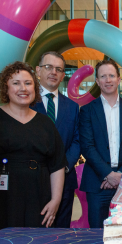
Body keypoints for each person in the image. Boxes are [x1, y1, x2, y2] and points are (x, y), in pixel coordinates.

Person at [0, 62, 66, 230]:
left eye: (28, 83)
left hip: (39, 195)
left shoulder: (45, 122)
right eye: (16, 83)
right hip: (4, 196)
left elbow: (57, 165)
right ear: (6, 88)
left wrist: (55, 200)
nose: (23, 88)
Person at [79, 59, 122, 227]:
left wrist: (120, 174)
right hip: (97, 182)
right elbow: (87, 146)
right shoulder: (87, 111)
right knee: (98, 234)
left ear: (119, 79)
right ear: (98, 81)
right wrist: (108, 174)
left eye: (112, 76)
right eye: (103, 76)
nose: (108, 80)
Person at [33, 51, 80, 228]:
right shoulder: (27, 102)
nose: (53, 72)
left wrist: (62, 166)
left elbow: (77, 140)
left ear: (62, 76)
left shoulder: (73, 107)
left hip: (66, 179)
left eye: (59, 69)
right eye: (49, 67)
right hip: (35, 179)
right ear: (38, 70)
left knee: (61, 234)